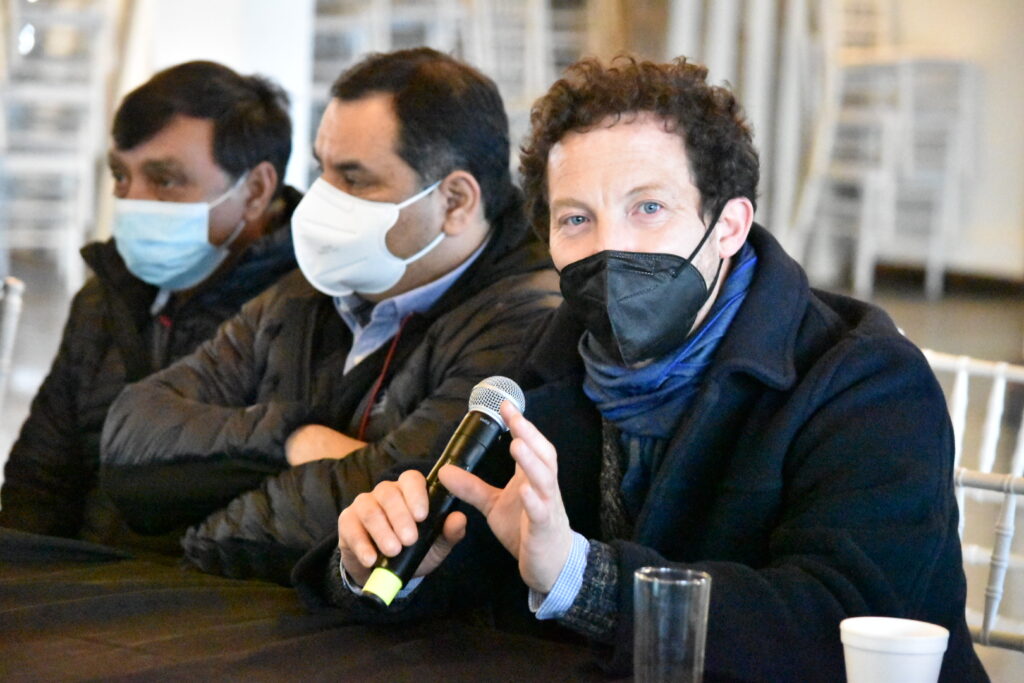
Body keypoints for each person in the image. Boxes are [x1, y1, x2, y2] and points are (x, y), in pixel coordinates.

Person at [298, 56, 988, 682]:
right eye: (576, 219)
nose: (611, 246)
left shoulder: (866, 380)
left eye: (649, 208)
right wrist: (377, 566)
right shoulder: (538, 367)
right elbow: (480, 557)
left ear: (728, 226)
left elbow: (844, 625)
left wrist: (581, 578)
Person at [100, 48, 560, 581]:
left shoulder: (523, 321)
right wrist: (294, 439)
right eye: (323, 171)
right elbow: (132, 436)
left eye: (354, 179)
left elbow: (402, 508)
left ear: (455, 201)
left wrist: (204, 529)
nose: (321, 202)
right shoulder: (315, 287)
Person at [0, 61, 299, 547]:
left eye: (165, 179)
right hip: (79, 579)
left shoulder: (302, 316)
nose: (132, 201)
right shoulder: (104, 299)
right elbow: (39, 483)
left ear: (255, 190)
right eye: (121, 176)